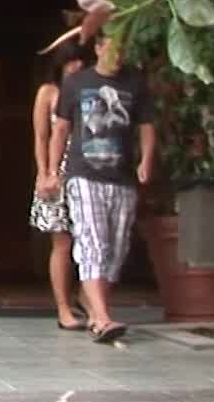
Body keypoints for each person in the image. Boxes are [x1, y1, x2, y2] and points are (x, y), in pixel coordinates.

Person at [39, 32, 155, 344]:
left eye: (123, 51)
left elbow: (146, 126)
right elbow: (58, 130)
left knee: (115, 248)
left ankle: (95, 309)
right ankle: (101, 317)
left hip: (122, 177)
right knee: (91, 240)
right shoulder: (75, 84)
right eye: (112, 49)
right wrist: (50, 171)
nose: (118, 56)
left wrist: (146, 160)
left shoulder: (135, 83)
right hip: (83, 174)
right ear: (99, 48)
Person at [31, 38, 93, 329]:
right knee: (62, 241)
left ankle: (88, 297)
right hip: (58, 172)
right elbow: (41, 137)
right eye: (70, 60)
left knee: (91, 239)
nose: (76, 65)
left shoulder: (90, 89)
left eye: (80, 59)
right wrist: (45, 173)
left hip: (88, 168)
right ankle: (63, 307)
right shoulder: (49, 92)